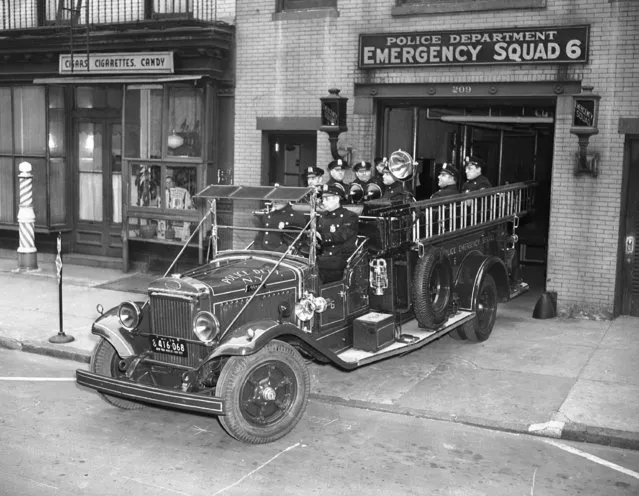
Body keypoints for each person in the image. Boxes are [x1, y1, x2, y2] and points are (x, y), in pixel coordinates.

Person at [315, 184, 359, 283]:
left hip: (339, 260)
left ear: (336, 199)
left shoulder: (350, 216)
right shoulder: (323, 216)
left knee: (311, 272)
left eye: (327, 199)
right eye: (323, 199)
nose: (324, 202)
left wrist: (321, 237)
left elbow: (342, 235)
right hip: (324, 258)